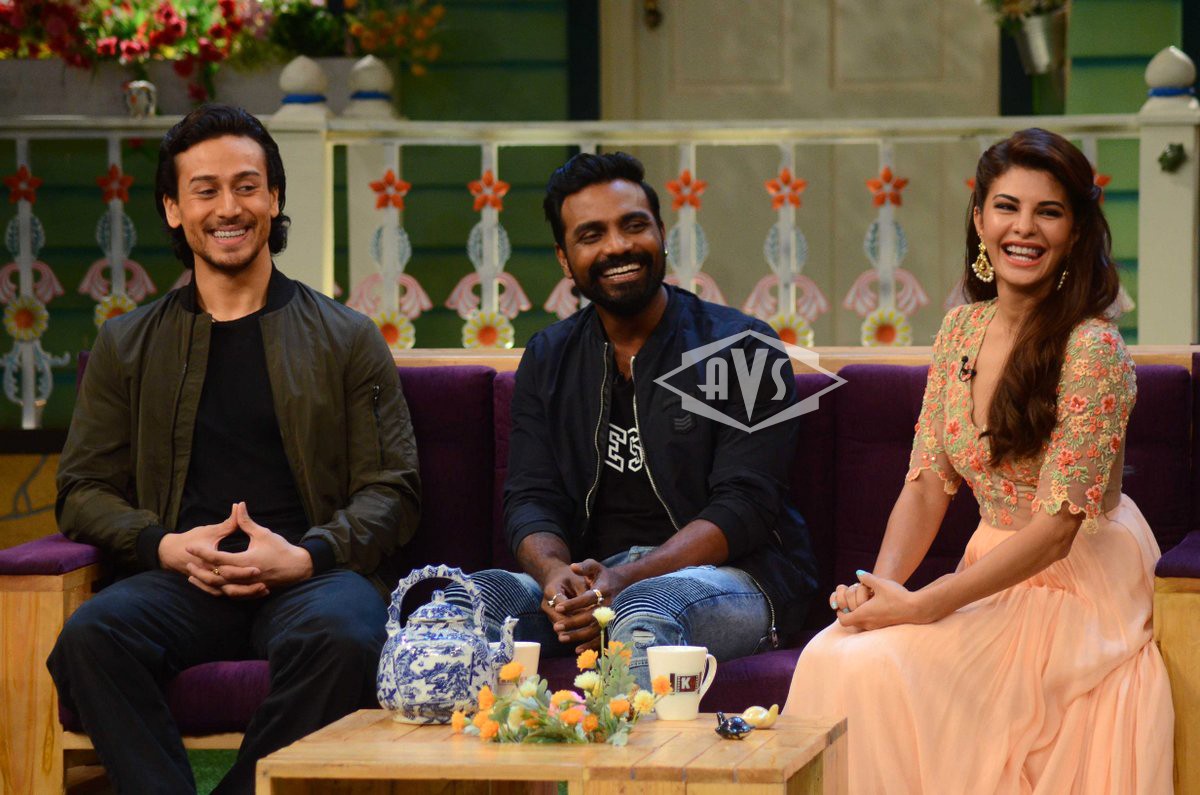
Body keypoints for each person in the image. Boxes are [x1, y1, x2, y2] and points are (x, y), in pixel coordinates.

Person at [786, 128, 1174, 792]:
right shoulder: (960, 331)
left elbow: (1055, 533)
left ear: (1075, 232)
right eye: (1007, 207)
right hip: (988, 572)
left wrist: (922, 606)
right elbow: (926, 486)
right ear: (979, 219)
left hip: (1077, 588)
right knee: (834, 653)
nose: (1024, 228)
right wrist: (878, 589)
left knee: (870, 667)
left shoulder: (1093, 347)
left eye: (1048, 212)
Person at [48, 105, 421, 795]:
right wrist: (164, 545)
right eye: (206, 190)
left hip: (310, 576)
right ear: (172, 208)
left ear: (274, 198)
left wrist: (307, 554)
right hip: (180, 579)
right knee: (91, 636)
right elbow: (81, 490)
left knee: (348, 636)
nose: (229, 207)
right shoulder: (127, 344)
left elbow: (392, 489)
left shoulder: (346, 337)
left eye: (247, 186)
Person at [448, 151, 817, 689]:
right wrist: (555, 574)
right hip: (596, 580)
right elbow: (530, 497)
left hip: (732, 579)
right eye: (591, 234)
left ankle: (616, 749)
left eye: (633, 225)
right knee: (463, 604)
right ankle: (488, 750)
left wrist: (627, 578)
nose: (617, 246)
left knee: (643, 614)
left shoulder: (739, 347)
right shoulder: (549, 358)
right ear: (565, 259)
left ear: (661, 234)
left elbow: (745, 507)